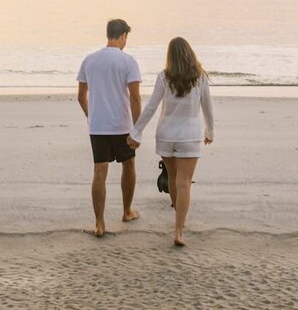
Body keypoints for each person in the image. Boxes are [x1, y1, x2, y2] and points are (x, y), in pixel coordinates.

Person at [127, 36, 214, 246]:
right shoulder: (199, 77)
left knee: (174, 178)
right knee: (184, 183)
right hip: (189, 137)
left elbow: (151, 107)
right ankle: (178, 230)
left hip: (166, 136)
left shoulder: (164, 77)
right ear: (190, 53)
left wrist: (136, 131)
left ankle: (178, 217)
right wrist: (210, 131)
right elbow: (207, 107)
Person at [76, 18, 142, 237]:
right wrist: (138, 128)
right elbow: (135, 98)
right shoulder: (128, 61)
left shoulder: (90, 60)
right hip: (121, 125)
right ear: (123, 36)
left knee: (99, 171)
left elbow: (80, 96)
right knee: (129, 164)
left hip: (98, 126)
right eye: (126, 38)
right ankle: (126, 211)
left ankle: (99, 224)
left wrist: (90, 115)